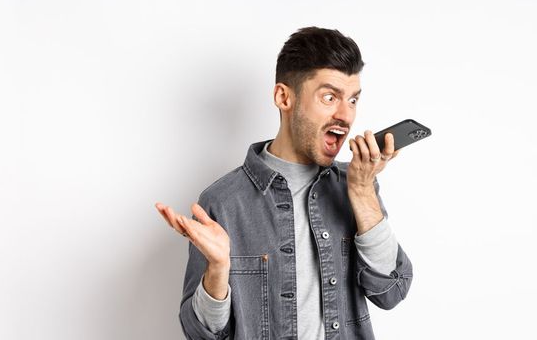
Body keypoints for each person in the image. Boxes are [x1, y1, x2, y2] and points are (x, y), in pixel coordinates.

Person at [155, 26, 413, 340]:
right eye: (329, 97)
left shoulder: (358, 185)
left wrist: (361, 191)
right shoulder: (222, 202)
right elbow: (202, 334)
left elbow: (391, 291)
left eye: (354, 100)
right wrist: (218, 270)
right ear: (283, 97)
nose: (346, 115)